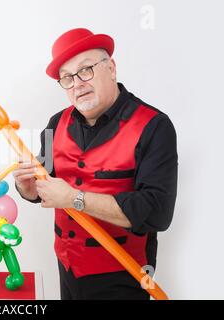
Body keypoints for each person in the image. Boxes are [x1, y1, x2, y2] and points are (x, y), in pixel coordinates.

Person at [13, 28, 178, 300]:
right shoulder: (55, 124)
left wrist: (75, 198)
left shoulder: (154, 126)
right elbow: (44, 184)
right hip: (67, 266)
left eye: (85, 70)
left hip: (124, 274)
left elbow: (157, 213)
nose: (77, 83)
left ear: (111, 68)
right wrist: (27, 188)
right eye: (67, 78)